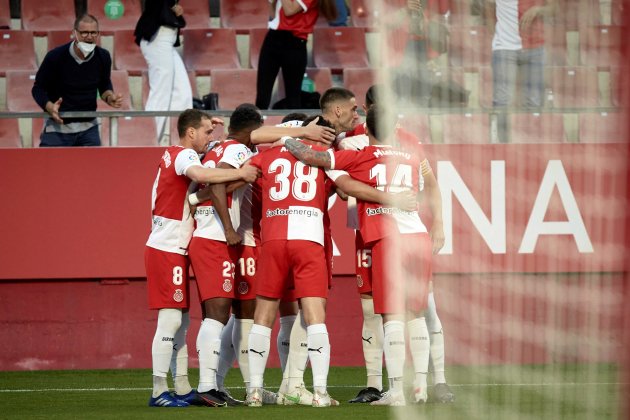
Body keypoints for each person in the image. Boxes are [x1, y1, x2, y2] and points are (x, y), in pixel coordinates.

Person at [282, 104, 437, 406]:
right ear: (394, 129)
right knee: (415, 313)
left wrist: (290, 137)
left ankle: (395, 391)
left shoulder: (361, 155)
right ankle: (421, 386)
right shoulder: (412, 157)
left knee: (390, 315)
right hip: (418, 236)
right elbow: (423, 190)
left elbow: (309, 155)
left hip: (388, 238)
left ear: (366, 131)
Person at [337, 85, 454, 404]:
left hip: (398, 231)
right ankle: (376, 384)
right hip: (367, 231)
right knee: (372, 309)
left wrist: (440, 223)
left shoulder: (408, 140)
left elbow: (431, 184)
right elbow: (344, 191)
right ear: (369, 108)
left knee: (423, 305)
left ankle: (436, 381)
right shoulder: (352, 140)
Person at [145, 109, 259, 408]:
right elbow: (203, 175)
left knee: (181, 323)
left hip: (174, 246)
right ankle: (159, 390)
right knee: (170, 320)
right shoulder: (184, 156)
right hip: (167, 246)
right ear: (190, 132)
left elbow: (206, 162)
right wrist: (241, 173)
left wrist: (209, 124)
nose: (212, 137)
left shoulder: (177, 154)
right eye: (207, 132)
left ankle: (181, 387)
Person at [186, 104, 279, 406]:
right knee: (224, 316)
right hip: (220, 238)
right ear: (252, 131)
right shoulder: (238, 149)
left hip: (218, 238)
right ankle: (211, 386)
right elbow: (218, 182)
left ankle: (219, 385)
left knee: (229, 315)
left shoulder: (221, 146)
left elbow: (218, 181)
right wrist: (228, 227)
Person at [31, 14, 123, 147]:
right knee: (51, 168)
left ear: (98, 34)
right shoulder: (55, 57)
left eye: (93, 33)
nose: (89, 36)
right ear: (75, 33)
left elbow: (104, 84)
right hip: (57, 129)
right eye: (84, 32)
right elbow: (38, 88)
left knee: (93, 168)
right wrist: (49, 106)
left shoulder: (103, 56)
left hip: (89, 130)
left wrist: (109, 97)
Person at [255, 0, 337, 110]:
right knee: (262, 94)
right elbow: (276, 16)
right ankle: (256, 125)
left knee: (293, 96)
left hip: (295, 43)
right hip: (273, 38)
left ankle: (294, 125)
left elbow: (290, 10)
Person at [134, 0, 193, 145]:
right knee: (161, 93)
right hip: (157, 38)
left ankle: (175, 142)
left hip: (168, 39)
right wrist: (172, 7)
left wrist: (173, 8)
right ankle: (148, 142)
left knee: (182, 92)